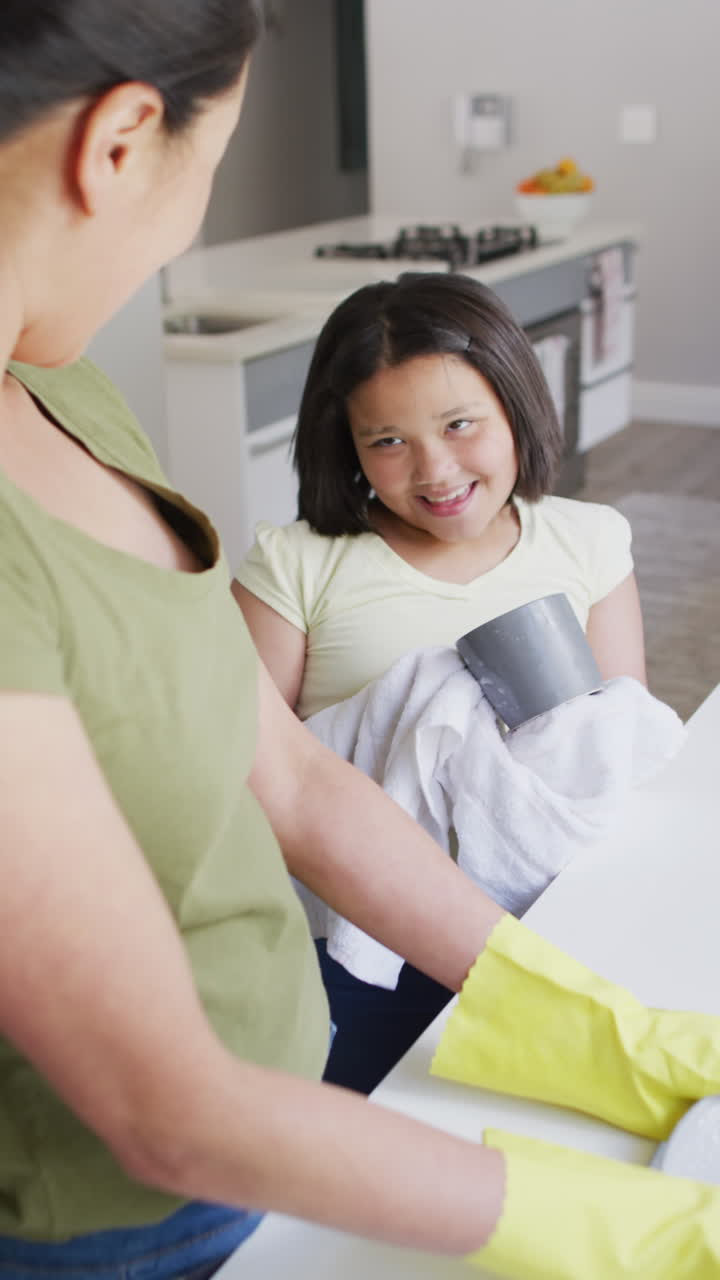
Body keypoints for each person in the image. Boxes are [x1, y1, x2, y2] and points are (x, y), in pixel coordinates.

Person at [2, 4, 720, 1279]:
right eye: (211, 163)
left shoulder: (58, 388)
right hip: (138, 1220)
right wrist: (622, 1225)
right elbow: (162, 1104)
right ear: (119, 143)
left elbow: (284, 770)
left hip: (301, 1107)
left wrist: (575, 1018)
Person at [234, 272, 648, 1092]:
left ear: (515, 409)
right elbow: (242, 775)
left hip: (549, 924)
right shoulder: (298, 564)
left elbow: (613, 753)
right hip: (358, 943)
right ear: (344, 444)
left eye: (461, 425)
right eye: (386, 441)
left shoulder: (588, 542)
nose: (435, 469)